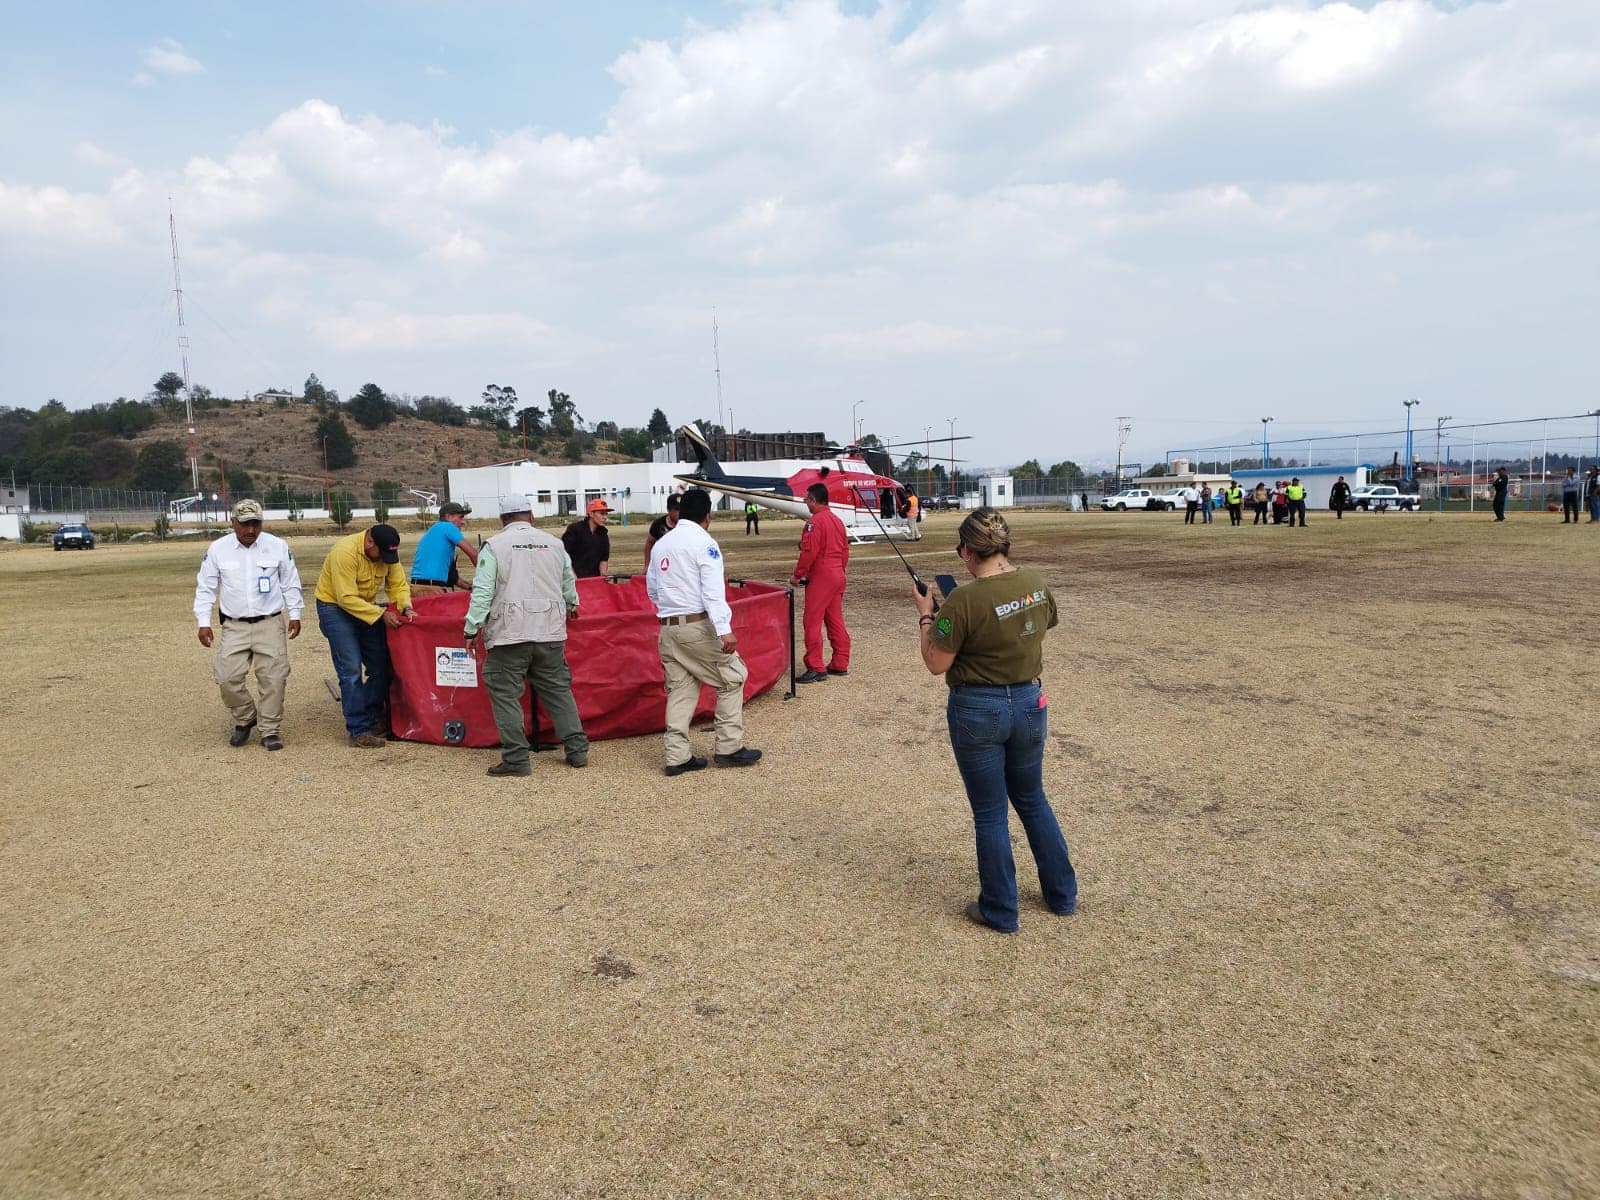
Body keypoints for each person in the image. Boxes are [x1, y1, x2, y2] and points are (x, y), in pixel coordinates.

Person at [913, 507, 1076, 934]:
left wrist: (928, 615)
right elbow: (1038, 623)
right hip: (1028, 701)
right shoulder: (1035, 586)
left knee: (989, 813)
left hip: (977, 709)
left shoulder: (964, 600)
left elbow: (935, 661)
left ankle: (1000, 910)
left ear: (967, 551)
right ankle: (1062, 895)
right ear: (1007, 545)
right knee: (1033, 798)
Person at [465, 495, 589, 775]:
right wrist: (571, 604)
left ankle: (516, 759)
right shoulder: (556, 544)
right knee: (558, 690)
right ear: (531, 516)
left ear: (502, 520)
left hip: (510, 633)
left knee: (505, 693)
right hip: (550, 630)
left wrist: (472, 627)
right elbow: (568, 581)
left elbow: (483, 591)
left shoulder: (494, 546)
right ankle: (577, 750)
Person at [646, 487, 762, 775]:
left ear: (680, 513)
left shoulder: (661, 544)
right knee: (733, 677)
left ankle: (677, 756)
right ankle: (728, 747)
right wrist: (724, 630)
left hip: (668, 628)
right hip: (696, 626)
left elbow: (651, 588)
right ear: (707, 517)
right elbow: (713, 591)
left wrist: (672, 607)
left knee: (681, 689)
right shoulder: (704, 542)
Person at [193, 499, 303, 751]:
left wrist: (295, 613)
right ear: (233, 523)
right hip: (234, 625)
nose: (251, 530)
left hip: (270, 623)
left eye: (256, 523)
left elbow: (290, 582)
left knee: (274, 678)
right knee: (226, 677)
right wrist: (203, 621)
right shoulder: (218, 549)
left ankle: (270, 730)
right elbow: (206, 588)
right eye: (245, 524)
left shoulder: (277, 546)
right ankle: (246, 717)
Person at [314, 523, 415, 747]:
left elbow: (397, 584)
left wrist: (405, 606)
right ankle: (358, 729)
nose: (386, 559)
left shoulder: (387, 554)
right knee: (350, 669)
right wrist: (381, 615)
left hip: (365, 606)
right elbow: (346, 598)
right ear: (370, 542)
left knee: (379, 665)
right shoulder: (345, 552)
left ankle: (372, 718)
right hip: (335, 608)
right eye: (382, 553)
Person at [789, 482, 851, 683]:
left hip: (822, 576)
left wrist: (797, 575)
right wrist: (839, 571)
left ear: (813, 500)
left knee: (812, 620)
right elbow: (844, 551)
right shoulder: (837, 521)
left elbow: (809, 553)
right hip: (837, 574)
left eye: (807, 499)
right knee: (835, 619)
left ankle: (815, 666)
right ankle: (840, 662)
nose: (806, 502)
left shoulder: (814, 523)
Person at [410, 501, 478, 595]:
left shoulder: (435, 531)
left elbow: (452, 578)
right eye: (461, 517)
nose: (463, 522)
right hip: (431, 589)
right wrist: (487, 581)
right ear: (448, 517)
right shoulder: (448, 527)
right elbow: (474, 555)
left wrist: (470, 587)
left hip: (417, 587)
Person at [562, 499, 611, 578]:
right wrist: (572, 575)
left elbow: (603, 559)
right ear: (591, 514)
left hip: (594, 581)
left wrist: (603, 576)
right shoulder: (574, 530)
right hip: (573, 579)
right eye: (602, 514)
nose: (605, 517)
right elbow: (564, 554)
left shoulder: (603, 535)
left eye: (606, 514)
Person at [643, 494, 681, 565]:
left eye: (682, 509)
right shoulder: (658, 524)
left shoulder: (687, 525)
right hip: (663, 563)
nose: (679, 513)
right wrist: (647, 565)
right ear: (668, 509)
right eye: (676, 509)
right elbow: (649, 543)